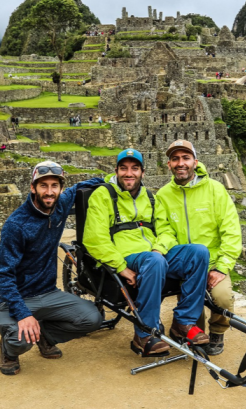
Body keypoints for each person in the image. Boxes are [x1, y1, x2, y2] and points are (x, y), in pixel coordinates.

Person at [83, 149, 210, 355]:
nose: (129, 173)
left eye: (135, 168)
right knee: (154, 261)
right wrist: (120, 266)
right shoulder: (103, 195)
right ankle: (144, 334)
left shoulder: (150, 197)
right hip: (126, 255)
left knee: (199, 253)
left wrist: (159, 249)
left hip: (153, 254)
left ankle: (183, 323)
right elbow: (95, 238)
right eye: (123, 168)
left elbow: (166, 230)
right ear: (116, 171)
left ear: (142, 172)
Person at [0, 161, 105, 376]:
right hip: (17, 297)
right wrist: (23, 313)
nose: (49, 191)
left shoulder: (60, 204)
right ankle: (8, 349)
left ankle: (46, 335)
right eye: (43, 185)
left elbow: (84, 185)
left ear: (61, 189)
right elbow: (3, 274)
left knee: (93, 319)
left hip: (48, 292)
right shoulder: (16, 224)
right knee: (21, 339)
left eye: (55, 185)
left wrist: (111, 181)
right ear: (32, 187)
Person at [154, 140, 242, 356]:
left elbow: (231, 231)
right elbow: (165, 231)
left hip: (213, 261)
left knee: (222, 298)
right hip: (187, 262)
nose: (180, 163)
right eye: (175, 159)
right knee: (193, 308)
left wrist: (222, 267)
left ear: (195, 162)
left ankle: (218, 332)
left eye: (185, 158)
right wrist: (162, 250)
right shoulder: (164, 195)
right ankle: (193, 332)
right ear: (169, 164)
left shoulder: (215, 190)